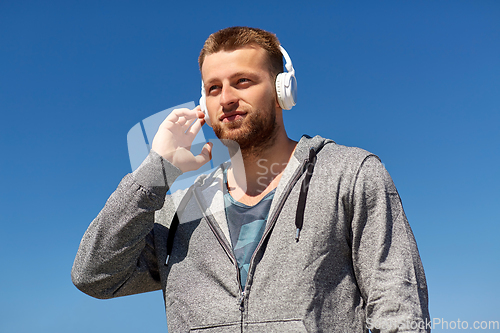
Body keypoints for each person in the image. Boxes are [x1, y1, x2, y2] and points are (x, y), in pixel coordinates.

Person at [72, 26, 430, 332]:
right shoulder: (181, 208)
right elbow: (95, 276)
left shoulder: (349, 174)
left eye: (243, 81)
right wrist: (157, 171)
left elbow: (398, 309)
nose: (226, 98)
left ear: (281, 90)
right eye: (213, 88)